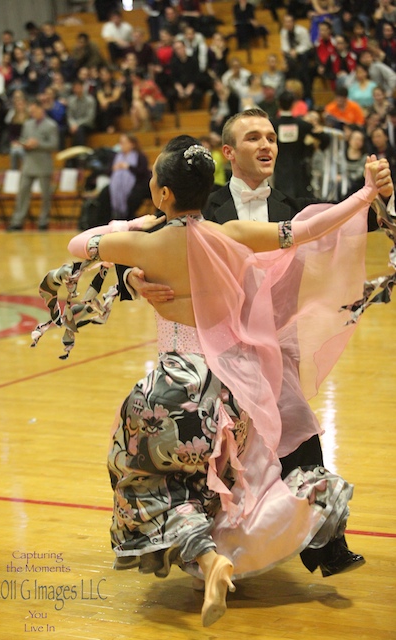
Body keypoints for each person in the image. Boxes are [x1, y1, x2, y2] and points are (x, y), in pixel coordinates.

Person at [62, 134, 390, 627]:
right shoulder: (232, 234)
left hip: (169, 391)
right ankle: (234, 550)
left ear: (164, 194)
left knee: (154, 485)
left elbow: (78, 244)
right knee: (240, 484)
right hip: (229, 395)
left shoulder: (143, 242)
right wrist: (364, 196)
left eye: (154, 178)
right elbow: (302, 231)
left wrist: (136, 229)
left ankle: (208, 558)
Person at [7, 98, 59, 231]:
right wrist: (24, 143)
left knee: (45, 195)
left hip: (43, 163)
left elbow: (54, 145)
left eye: (34, 111)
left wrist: (38, 144)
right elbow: (23, 139)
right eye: (31, 112)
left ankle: (43, 221)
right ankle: (17, 221)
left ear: (41, 110)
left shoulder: (51, 125)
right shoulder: (27, 124)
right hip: (28, 163)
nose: (32, 114)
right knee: (22, 193)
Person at [108, 133, 152, 220]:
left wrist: (128, 167)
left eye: (123, 143)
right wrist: (114, 168)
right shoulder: (116, 156)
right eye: (120, 143)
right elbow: (108, 171)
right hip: (117, 185)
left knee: (133, 196)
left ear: (132, 144)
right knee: (105, 193)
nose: (121, 145)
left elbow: (143, 172)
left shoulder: (140, 156)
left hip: (138, 183)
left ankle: (128, 217)